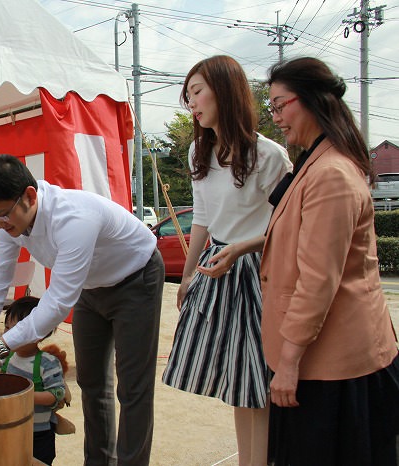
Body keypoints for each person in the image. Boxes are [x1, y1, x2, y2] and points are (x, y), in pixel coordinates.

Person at [0, 153, 164, 466]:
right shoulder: (5, 224)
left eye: (3, 215)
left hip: (136, 277)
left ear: (30, 196)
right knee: (91, 382)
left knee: (133, 387)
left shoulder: (74, 218)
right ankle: (98, 461)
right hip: (90, 286)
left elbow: (58, 302)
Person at [262, 57, 398, 465]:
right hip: (322, 357)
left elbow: (318, 279)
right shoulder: (317, 162)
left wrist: (288, 362)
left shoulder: (331, 173)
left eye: (279, 105)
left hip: (333, 363)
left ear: (311, 101)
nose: (276, 118)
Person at [161, 55, 291, 466]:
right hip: (217, 269)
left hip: (256, 273)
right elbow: (202, 218)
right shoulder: (200, 155)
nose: (192, 103)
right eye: (188, 96)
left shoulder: (270, 155)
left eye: (197, 91)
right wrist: (185, 276)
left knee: (258, 383)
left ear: (226, 89)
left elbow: (287, 229)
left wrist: (239, 250)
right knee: (238, 384)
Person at [0, 296, 66, 465]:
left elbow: (57, 395)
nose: (7, 336)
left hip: (38, 434)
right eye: (6, 328)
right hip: (11, 428)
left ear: (38, 334)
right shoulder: (7, 357)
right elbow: (3, 378)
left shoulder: (47, 363)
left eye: (15, 331)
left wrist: (25, 396)